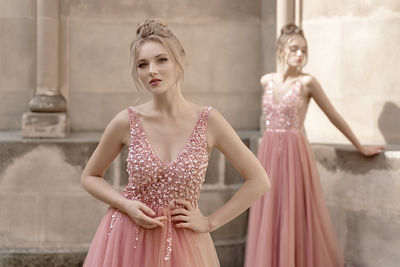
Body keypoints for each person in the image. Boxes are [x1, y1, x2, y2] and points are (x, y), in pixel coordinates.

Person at [81, 18, 270, 267]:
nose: (152, 71)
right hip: (127, 239)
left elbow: (259, 181)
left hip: (184, 245)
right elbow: (90, 176)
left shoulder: (209, 120)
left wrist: (210, 222)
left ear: (178, 60)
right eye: (142, 64)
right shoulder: (126, 121)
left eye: (161, 60)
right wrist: (125, 205)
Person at [244, 23, 385, 267]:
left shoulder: (308, 83)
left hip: (294, 155)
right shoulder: (266, 81)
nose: (300, 55)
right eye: (294, 49)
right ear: (280, 51)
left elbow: (334, 116)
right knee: (269, 211)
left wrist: (360, 146)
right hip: (267, 155)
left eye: (304, 50)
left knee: (292, 212)